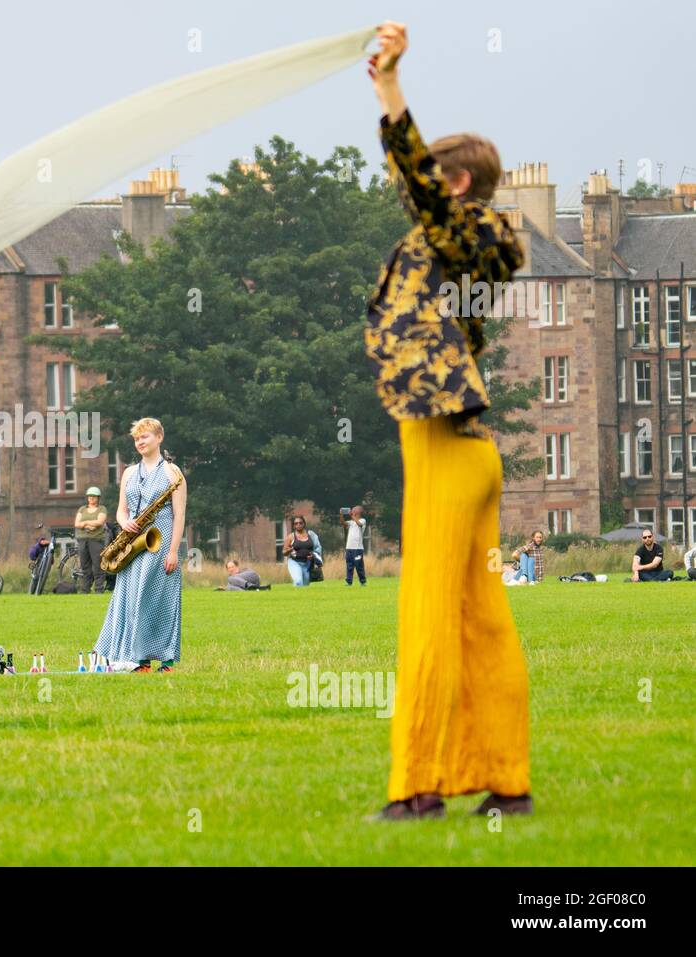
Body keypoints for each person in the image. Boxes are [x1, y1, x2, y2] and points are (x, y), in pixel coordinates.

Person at [364, 22, 531, 820]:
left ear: (457, 185)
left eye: (433, 176)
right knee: (481, 616)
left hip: (441, 443)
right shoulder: (457, 240)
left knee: (428, 615)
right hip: (467, 449)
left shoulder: (471, 233)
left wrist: (389, 87)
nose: (418, 184)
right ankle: (507, 783)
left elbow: (418, 186)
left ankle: (417, 788)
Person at [94, 417, 186, 673]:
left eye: (144, 437)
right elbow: (121, 511)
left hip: (161, 540)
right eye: (136, 439)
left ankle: (166, 661)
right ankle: (140, 660)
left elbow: (179, 514)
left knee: (159, 600)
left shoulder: (173, 473)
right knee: (133, 599)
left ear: (159, 437)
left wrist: (173, 551)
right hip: (133, 544)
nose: (139, 442)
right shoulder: (129, 473)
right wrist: (126, 523)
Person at [74, 486, 108, 594]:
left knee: (98, 565)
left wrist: (84, 524)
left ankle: (99, 589)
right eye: (90, 496)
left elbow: (100, 522)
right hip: (82, 539)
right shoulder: (82, 509)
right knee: (85, 566)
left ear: (98, 498)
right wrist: (87, 525)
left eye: (94, 496)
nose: (92, 498)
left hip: (96, 540)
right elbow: (77, 524)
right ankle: (85, 590)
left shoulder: (102, 509)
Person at [282, 516, 322, 587]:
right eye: (296, 523)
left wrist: (313, 556)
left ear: (304, 524)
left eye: (300, 523)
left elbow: (318, 548)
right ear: (294, 525)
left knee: (305, 585)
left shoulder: (311, 535)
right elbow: (284, 552)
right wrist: (289, 550)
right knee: (298, 582)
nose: (298, 525)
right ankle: (295, 597)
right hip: (294, 562)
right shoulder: (291, 537)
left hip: (307, 564)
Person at [341, 506, 369, 586]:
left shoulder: (363, 520)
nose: (352, 510)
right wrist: (341, 515)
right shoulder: (351, 522)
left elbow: (359, 524)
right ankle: (349, 582)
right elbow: (343, 523)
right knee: (349, 565)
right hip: (349, 548)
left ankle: (362, 582)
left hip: (358, 549)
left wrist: (352, 516)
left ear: (359, 512)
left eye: (354, 509)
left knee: (358, 565)